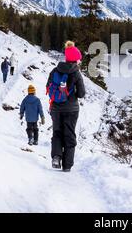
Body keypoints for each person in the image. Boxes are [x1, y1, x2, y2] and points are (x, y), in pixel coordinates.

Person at [47, 44, 85, 172]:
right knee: (69, 135)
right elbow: (81, 94)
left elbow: (48, 87)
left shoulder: (55, 70)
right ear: (75, 60)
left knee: (57, 133)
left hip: (56, 109)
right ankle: (67, 165)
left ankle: (56, 157)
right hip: (71, 110)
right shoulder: (76, 73)